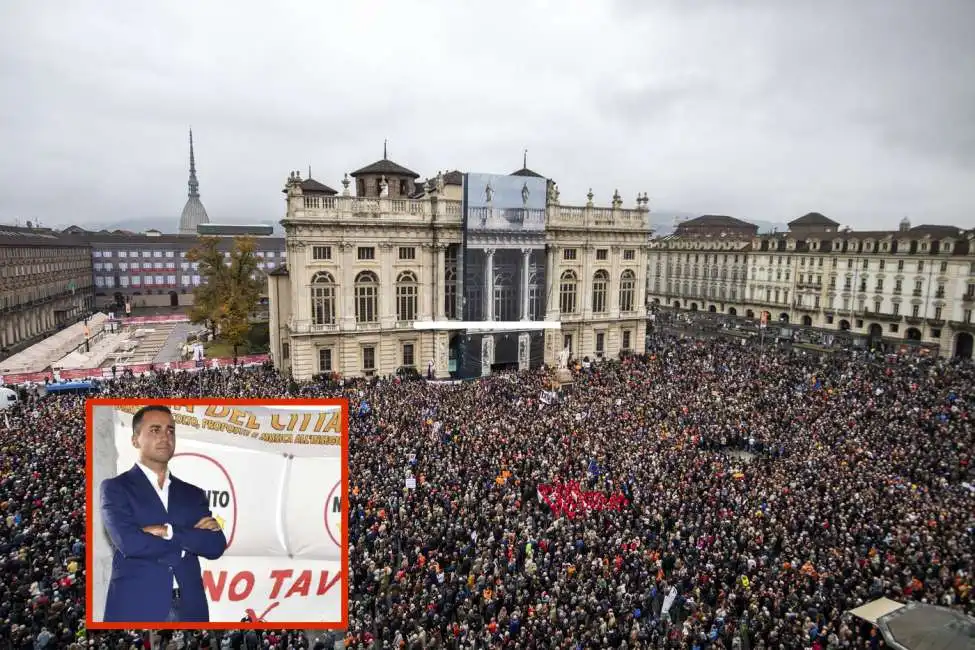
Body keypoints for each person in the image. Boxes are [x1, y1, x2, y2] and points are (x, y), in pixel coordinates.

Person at [99, 404, 227, 623]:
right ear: (135, 440)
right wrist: (189, 541)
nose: (165, 437)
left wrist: (168, 532)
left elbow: (215, 546)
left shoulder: (192, 493)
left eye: (170, 431)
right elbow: (129, 542)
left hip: (190, 609)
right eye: (155, 430)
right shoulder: (115, 488)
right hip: (136, 607)